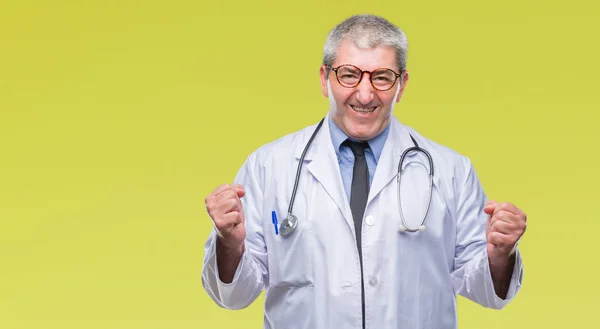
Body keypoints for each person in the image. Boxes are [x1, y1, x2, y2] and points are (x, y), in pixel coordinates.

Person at [201, 14, 526, 329]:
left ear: (402, 85)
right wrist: (229, 243)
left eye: (382, 77)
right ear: (325, 79)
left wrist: (501, 253)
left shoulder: (450, 170)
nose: (366, 93)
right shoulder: (269, 166)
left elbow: (486, 291)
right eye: (349, 75)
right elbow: (234, 296)